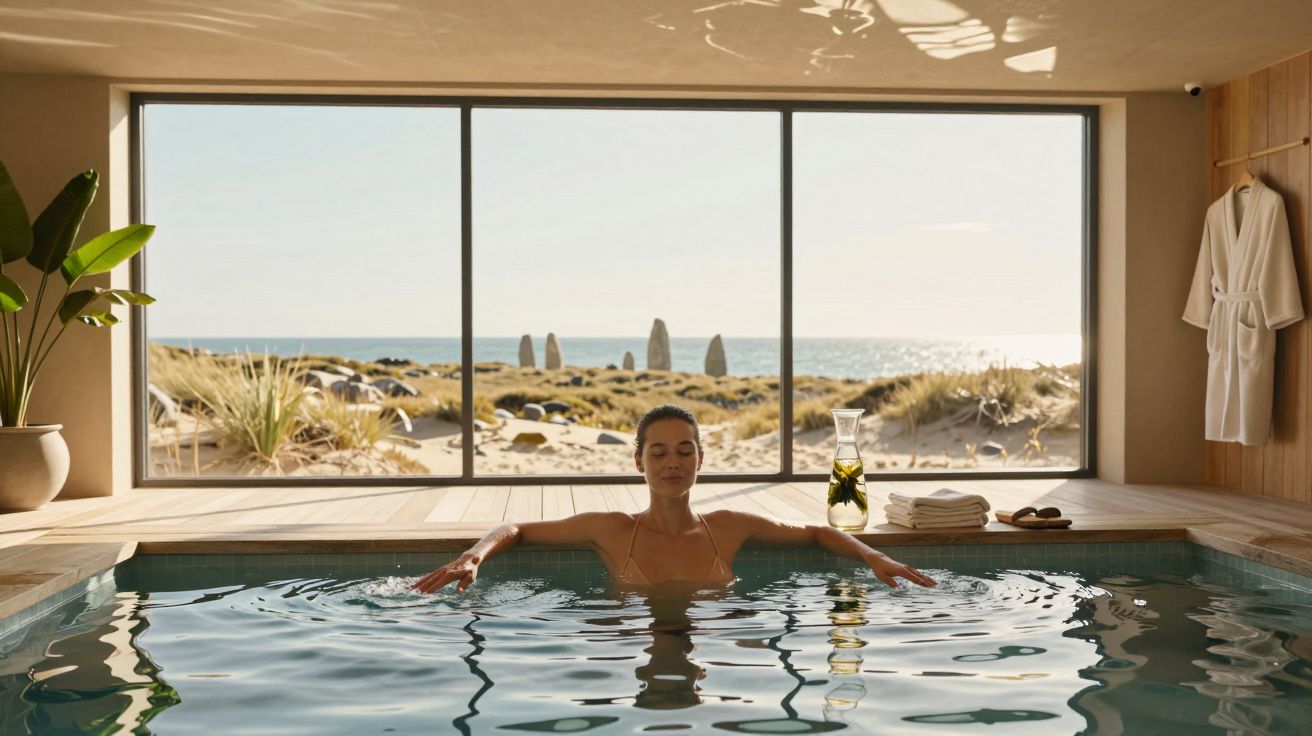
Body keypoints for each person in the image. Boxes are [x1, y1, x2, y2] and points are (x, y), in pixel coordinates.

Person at [411, 404, 937, 593]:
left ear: (701, 461)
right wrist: (473, 555)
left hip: (714, 642)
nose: (672, 463)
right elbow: (518, 528)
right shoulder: (613, 528)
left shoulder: (727, 525)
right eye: (658, 452)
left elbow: (819, 531)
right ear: (638, 462)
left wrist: (876, 556)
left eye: (685, 451)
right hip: (630, 638)